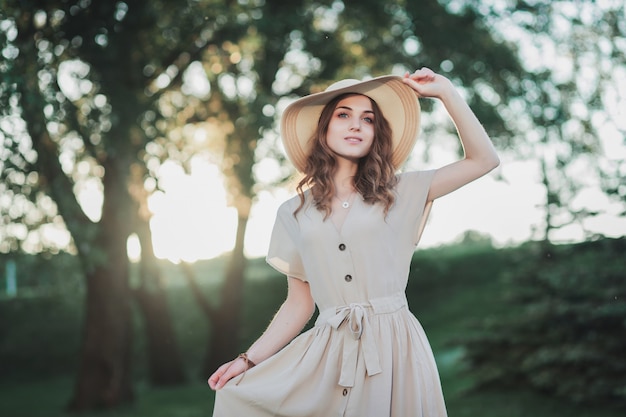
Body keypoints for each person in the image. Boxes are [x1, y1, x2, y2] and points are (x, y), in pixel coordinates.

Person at [208, 67, 500, 417]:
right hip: (329, 352)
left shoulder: (403, 191)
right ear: (325, 128)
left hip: (395, 349)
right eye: (343, 115)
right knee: (238, 399)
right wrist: (247, 360)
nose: (356, 125)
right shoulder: (294, 212)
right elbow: (298, 305)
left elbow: (484, 160)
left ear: (377, 133)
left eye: (368, 118)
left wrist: (447, 93)